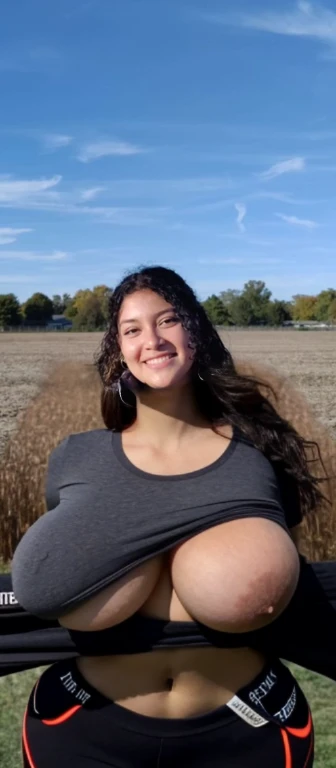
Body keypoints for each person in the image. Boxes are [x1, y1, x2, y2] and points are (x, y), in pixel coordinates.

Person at [12, 265, 327, 767]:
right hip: (84, 730)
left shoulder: (258, 452)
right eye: (132, 329)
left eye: (168, 320)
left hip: (245, 730)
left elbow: (290, 578)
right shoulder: (77, 457)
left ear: (196, 333)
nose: (152, 340)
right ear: (118, 351)